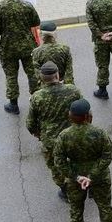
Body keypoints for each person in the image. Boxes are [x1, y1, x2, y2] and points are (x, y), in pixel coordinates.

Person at [53, 98, 112, 222]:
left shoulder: (64, 136)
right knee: (105, 206)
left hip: (75, 179)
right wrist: (91, 176)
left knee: (76, 209)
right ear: (87, 116)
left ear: (71, 116)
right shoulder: (99, 132)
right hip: (99, 177)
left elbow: (59, 161)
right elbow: (107, 155)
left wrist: (77, 177)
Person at [26, 62, 83, 198]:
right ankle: (84, 183)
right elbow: (84, 112)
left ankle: (65, 189)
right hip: (73, 135)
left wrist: (37, 133)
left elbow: (30, 123)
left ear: (41, 78)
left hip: (50, 140)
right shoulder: (73, 90)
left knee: (56, 165)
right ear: (57, 75)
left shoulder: (37, 97)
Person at [0, 0, 40, 114]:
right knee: (32, 74)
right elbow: (36, 21)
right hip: (27, 46)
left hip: (7, 49)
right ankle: (38, 102)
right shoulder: (27, 6)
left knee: (11, 76)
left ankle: (13, 105)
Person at [32, 21, 74, 88]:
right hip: (63, 85)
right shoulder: (65, 49)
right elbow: (69, 71)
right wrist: (68, 87)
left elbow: (37, 74)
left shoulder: (36, 52)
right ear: (55, 34)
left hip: (46, 87)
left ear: (41, 35)